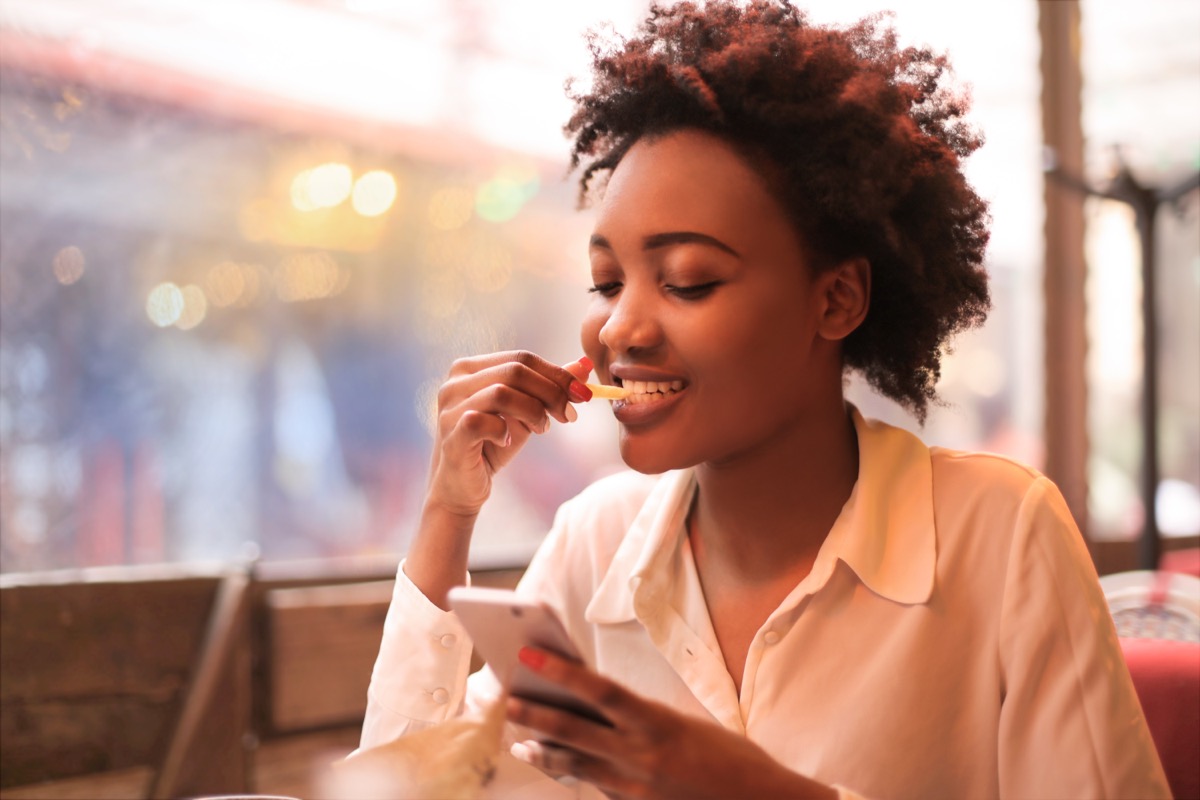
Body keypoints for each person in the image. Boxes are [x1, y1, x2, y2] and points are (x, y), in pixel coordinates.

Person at [361, 2, 1170, 798]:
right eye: (607, 282)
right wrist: (447, 514)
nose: (621, 328)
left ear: (837, 300)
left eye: (688, 281)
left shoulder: (1001, 533)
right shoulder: (594, 544)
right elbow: (411, 794)